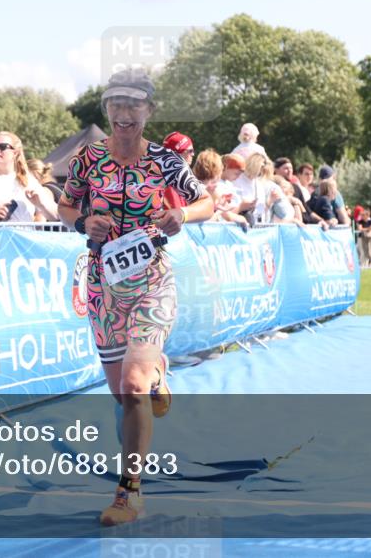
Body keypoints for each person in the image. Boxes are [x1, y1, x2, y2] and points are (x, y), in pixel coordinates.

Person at [56, 68, 213, 526]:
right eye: (115, 106)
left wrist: (181, 213)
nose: (124, 115)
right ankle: (159, 374)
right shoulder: (87, 159)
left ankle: (129, 493)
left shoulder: (164, 161)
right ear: (106, 111)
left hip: (151, 280)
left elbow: (206, 202)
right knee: (124, 397)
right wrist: (84, 221)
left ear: (149, 111)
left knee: (133, 383)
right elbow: (65, 206)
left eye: (134, 105)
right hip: (104, 286)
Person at [193, 149, 246, 225]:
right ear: (217, 170)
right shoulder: (211, 190)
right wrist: (243, 219)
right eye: (221, 168)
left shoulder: (191, 186)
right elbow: (228, 217)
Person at [161, 132, 195, 210]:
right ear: (177, 154)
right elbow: (178, 214)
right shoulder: (171, 179)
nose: (193, 154)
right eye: (190, 151)